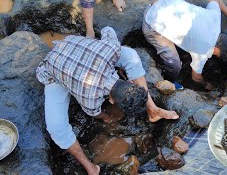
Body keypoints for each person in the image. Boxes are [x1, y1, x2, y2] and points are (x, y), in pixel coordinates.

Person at [36, 26, 179, 174]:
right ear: (111, 101)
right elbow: (95, 113)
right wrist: (106, 117)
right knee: (56, 128)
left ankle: (153, 110)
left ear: (129, 82)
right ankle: (91, 167)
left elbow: (108, 29)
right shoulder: (90, 100)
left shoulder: (111, 50)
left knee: (130, 55)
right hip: (54, 70)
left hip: (70, 45)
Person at [143, 0, 227, 90]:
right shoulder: (203, 51)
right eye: (217, 55)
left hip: (163, 0)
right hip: (150, 21)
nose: (214, 55)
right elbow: (196, 77)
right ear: (216, 50)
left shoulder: (215, 18)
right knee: (175, 66)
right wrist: (205, 84)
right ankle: (167, 79)